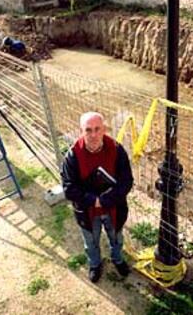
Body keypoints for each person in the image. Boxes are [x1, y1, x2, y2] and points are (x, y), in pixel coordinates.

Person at [61, 112, 134, 283]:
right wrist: (94, 201)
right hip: (87, 211)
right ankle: (95, 264)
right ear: (81, 131)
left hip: (113, 208)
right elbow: (69, 189)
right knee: (90, 242)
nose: (93, 135)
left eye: (97, 129)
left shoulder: (117, 149)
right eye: (88, 130)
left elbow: (127, 181)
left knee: (116, 237)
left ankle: (117, 259)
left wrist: (107, 200)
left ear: (104, 129)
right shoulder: (72, 156)